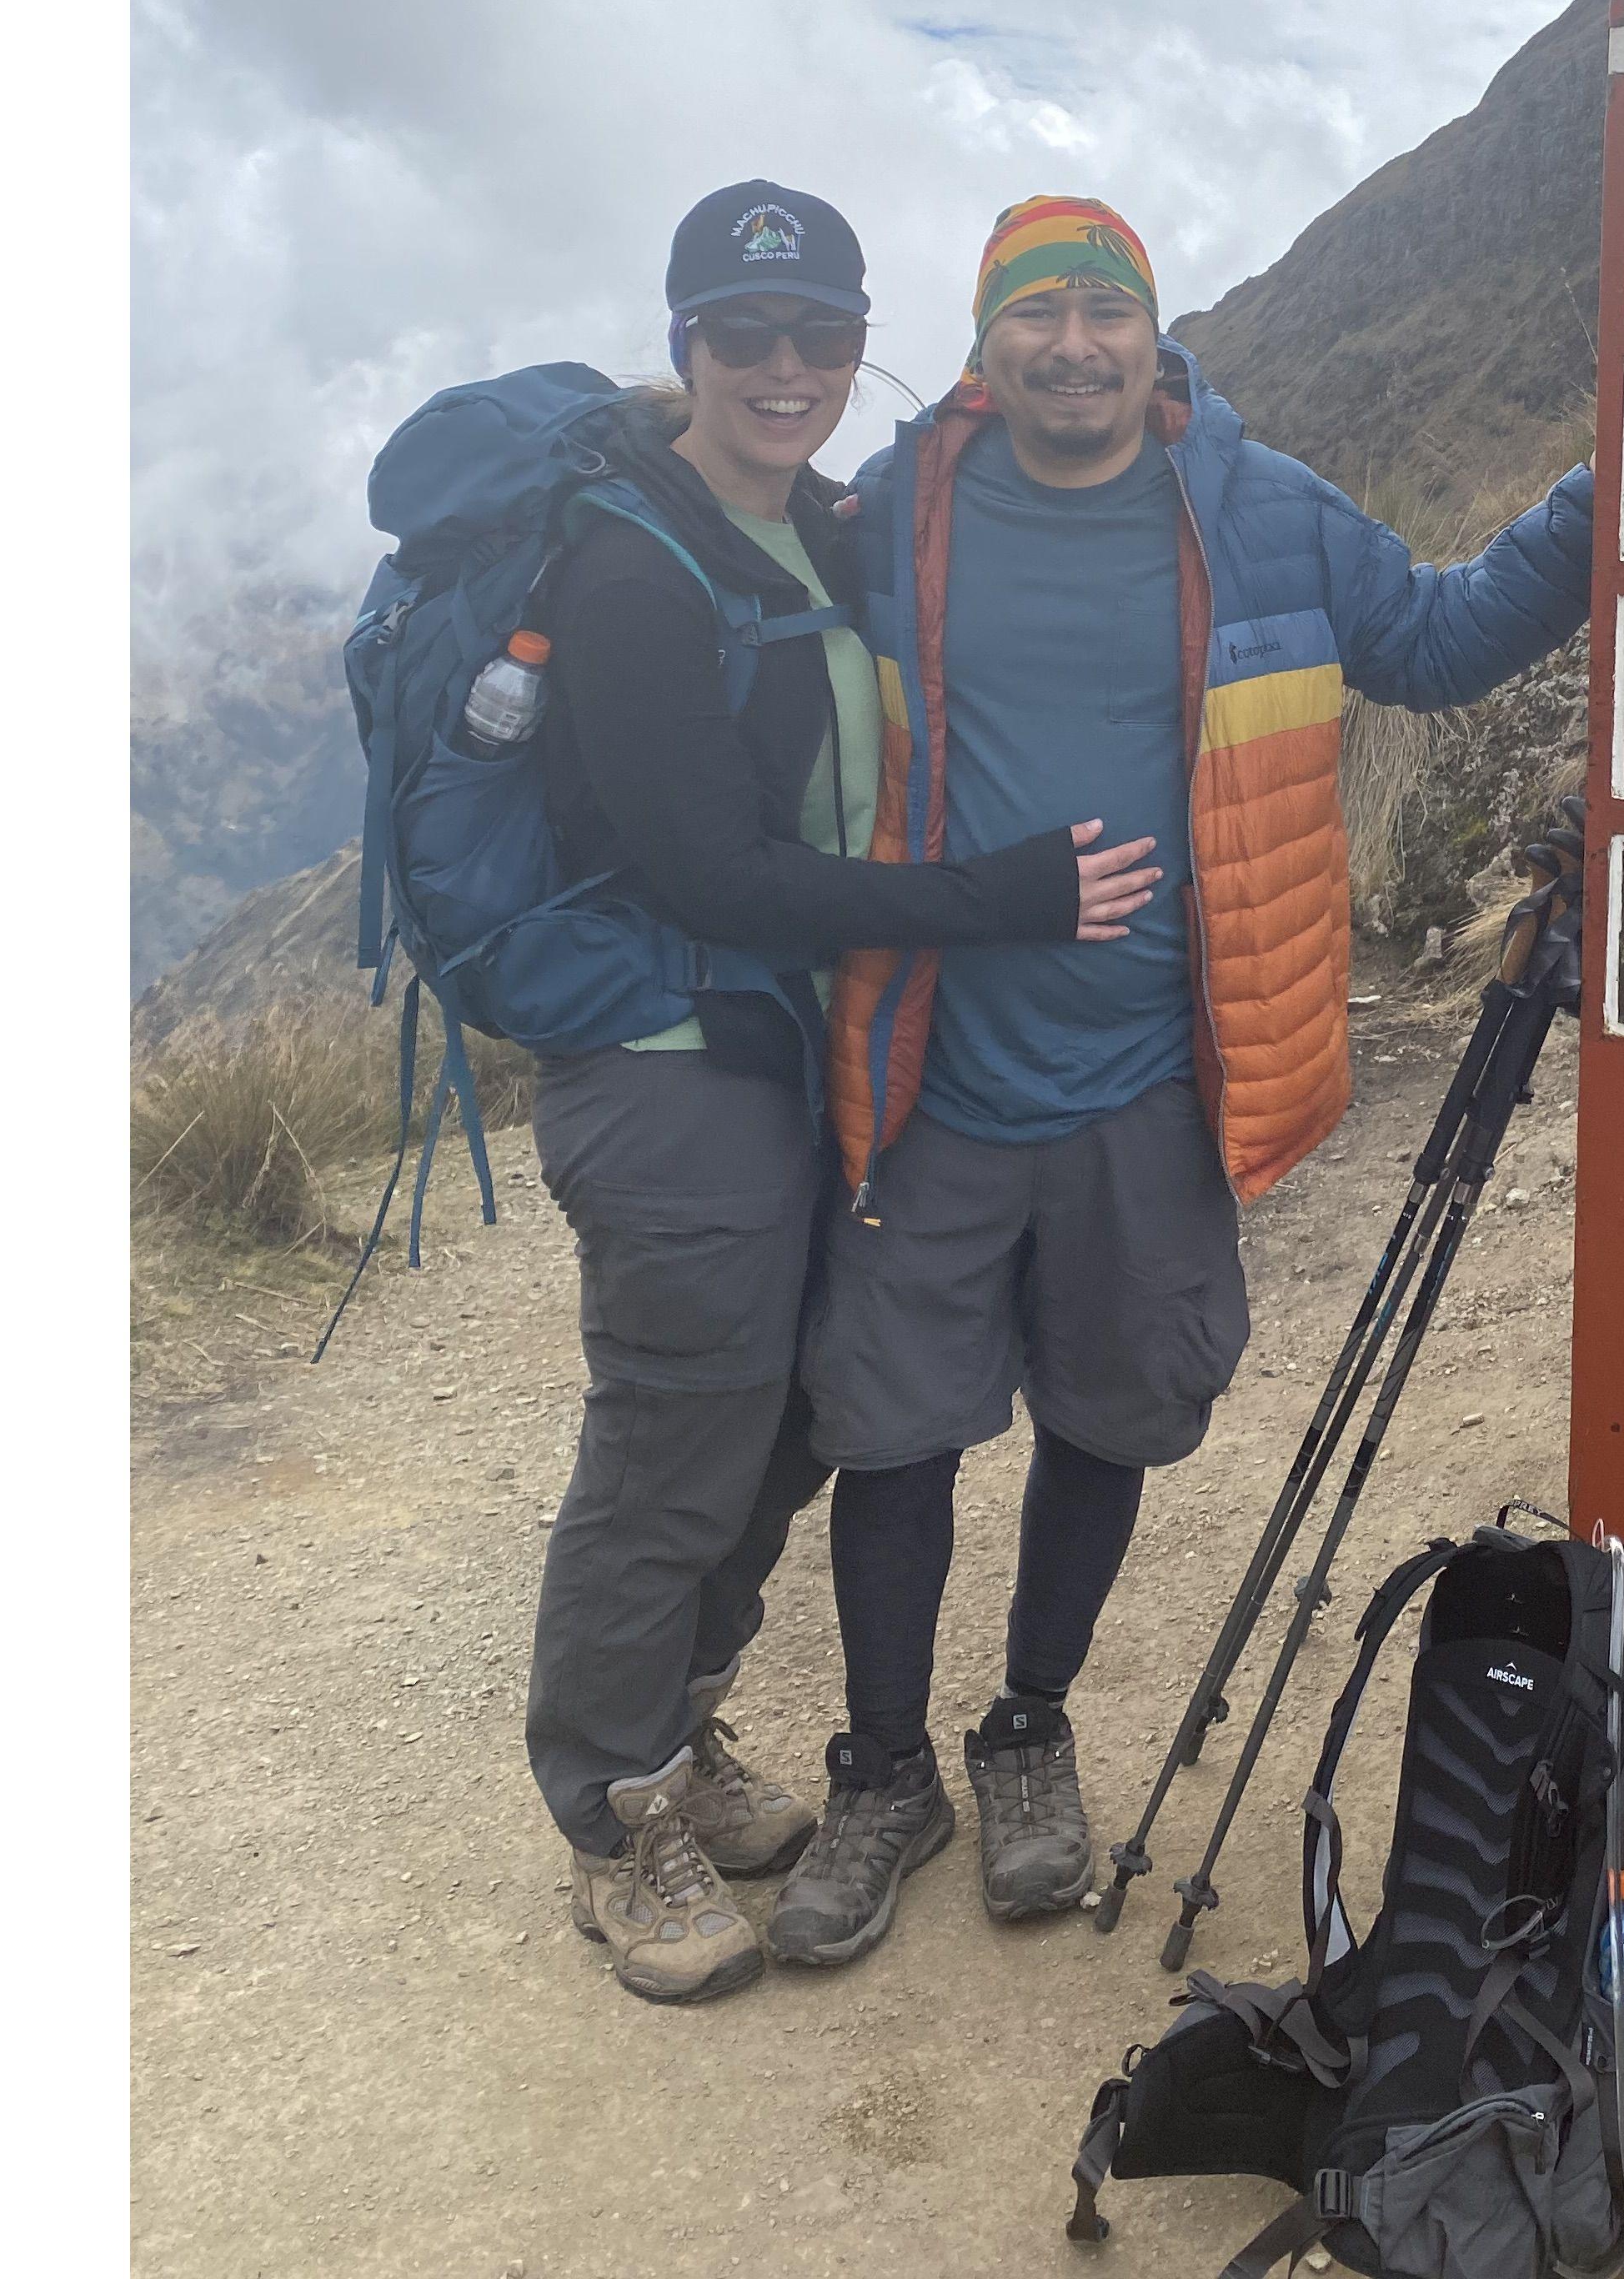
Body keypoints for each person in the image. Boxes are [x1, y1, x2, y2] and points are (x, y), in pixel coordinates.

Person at [764, 191, 1592, 1969]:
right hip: (933, 1070)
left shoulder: (1259, 506)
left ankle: (1029, 1727)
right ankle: (884, 1768)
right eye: (1035, 315)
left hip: (1158, 1076)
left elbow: (1438, 640)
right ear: (986, 346)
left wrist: (1623, 492)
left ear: (1154, 332)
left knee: (1111, 1413)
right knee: (893, 1432)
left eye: (1102, 312)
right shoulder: (899, 506)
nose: (1073, 344)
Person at [524, 178, 1162, 2004]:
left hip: (796, 1067)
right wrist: (1001, 905)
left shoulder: (811, 525)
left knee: (786, 1426)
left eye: (820, 335)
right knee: (672, 1446)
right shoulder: (632, 567)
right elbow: (713, 873)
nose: (787, 366)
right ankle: (610, 1817)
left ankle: (682, 1745)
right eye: (745, 336)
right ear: (684, 346)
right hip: (666, 1074)